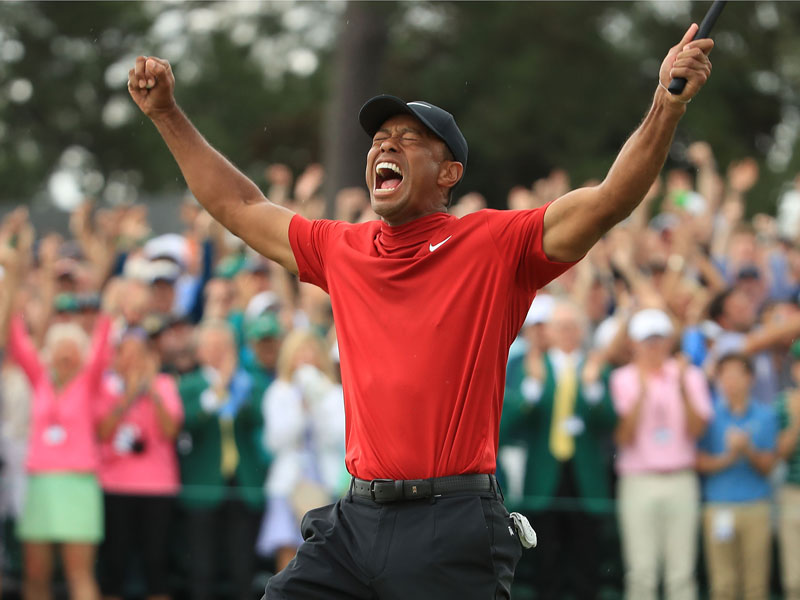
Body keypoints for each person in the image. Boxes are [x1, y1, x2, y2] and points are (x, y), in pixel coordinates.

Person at [127, 24, 714, 599]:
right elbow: (240, 204)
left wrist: (666, 105)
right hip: (353, 521)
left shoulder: (494, 244)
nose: (385, 145)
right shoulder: (342, 248)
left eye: (408, 139)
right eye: (380, 138)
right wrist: (167, 115)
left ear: (449, 173)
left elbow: (610, 199)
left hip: (450, 523)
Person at [0, 245, 111, 600]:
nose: (64, 352)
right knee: (35, 574)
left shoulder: (89, 381)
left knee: (79, 572)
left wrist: (98, 279)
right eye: (58, 346)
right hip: (41, 482)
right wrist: (12, 281)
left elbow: (103, 330)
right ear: (49, 351)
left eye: (71, 347)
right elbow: (14, 336)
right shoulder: (39, 379)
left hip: (79, 482)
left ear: (81, 354)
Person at [502, 300, 616, 599]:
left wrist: (592, 389)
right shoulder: (530, 366)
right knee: (546, 560)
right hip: (545, 475)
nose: (567, 333)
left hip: (584, 477)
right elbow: (511, 422)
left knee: (586, 557)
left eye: (573, 327)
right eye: (561, 327)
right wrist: (533, 388)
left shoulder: (595, 367)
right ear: (550, 332)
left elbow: (610, 422)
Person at [611, 308, 712, 600]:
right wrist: (641, 395)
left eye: (659, 339)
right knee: (641, 571)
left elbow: (698, 430)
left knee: (681, 572)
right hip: (638, 479)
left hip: (681, 478)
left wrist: (682, 387)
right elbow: (623, 437)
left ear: (669, 341)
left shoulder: (690, 375)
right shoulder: (622, 378)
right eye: (647, 340)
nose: (654, 346)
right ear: (634, 343)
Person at [176, 320, 266, 600]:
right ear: (199, 351)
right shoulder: (189, 385)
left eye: (224, 346)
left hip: (242, 483)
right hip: (204, 485)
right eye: (212, 346)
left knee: (243, 565)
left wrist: (238, 390)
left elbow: (258, 419)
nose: (218, 352)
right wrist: (219, 388)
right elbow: (188, 423)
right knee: (202, 565)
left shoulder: (247, 382)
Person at [96, 328, 183, 600]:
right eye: (127, 353)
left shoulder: (164, 384)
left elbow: (170, 431)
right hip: (115, 485)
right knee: (114, 565)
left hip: (157, 488)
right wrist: (129, 396)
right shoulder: (106, 387)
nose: (132, 360)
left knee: (156, 565)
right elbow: (102, 432)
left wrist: (151, 391)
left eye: (139, 354)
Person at [256, 329, 345, 573]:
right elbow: (274, 441)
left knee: (324, 549)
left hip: (325, 481)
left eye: (311, 352)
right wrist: (300, 410)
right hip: (288, 483)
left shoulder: (334, 393)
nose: (305, 358)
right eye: (300, 353)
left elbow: (338, 437)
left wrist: (317, 405)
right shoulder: (278, 392)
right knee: (287, 545)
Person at [696, 352, 777, 600]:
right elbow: (699, 461)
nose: (730, 380)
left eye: (736, 374)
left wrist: (747, 450)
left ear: (750, 378)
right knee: (722, 585)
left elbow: (768, 465)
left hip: (755, 506)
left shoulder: (765, 415)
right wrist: (729, 457)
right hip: (719, 507)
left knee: (755, 586)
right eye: (725, 375)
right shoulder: (709, 415)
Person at [777, 341, 800, 600]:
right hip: (793, 493)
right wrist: (795, 422)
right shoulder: (784, 404)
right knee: (794, 580)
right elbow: (780, 455)